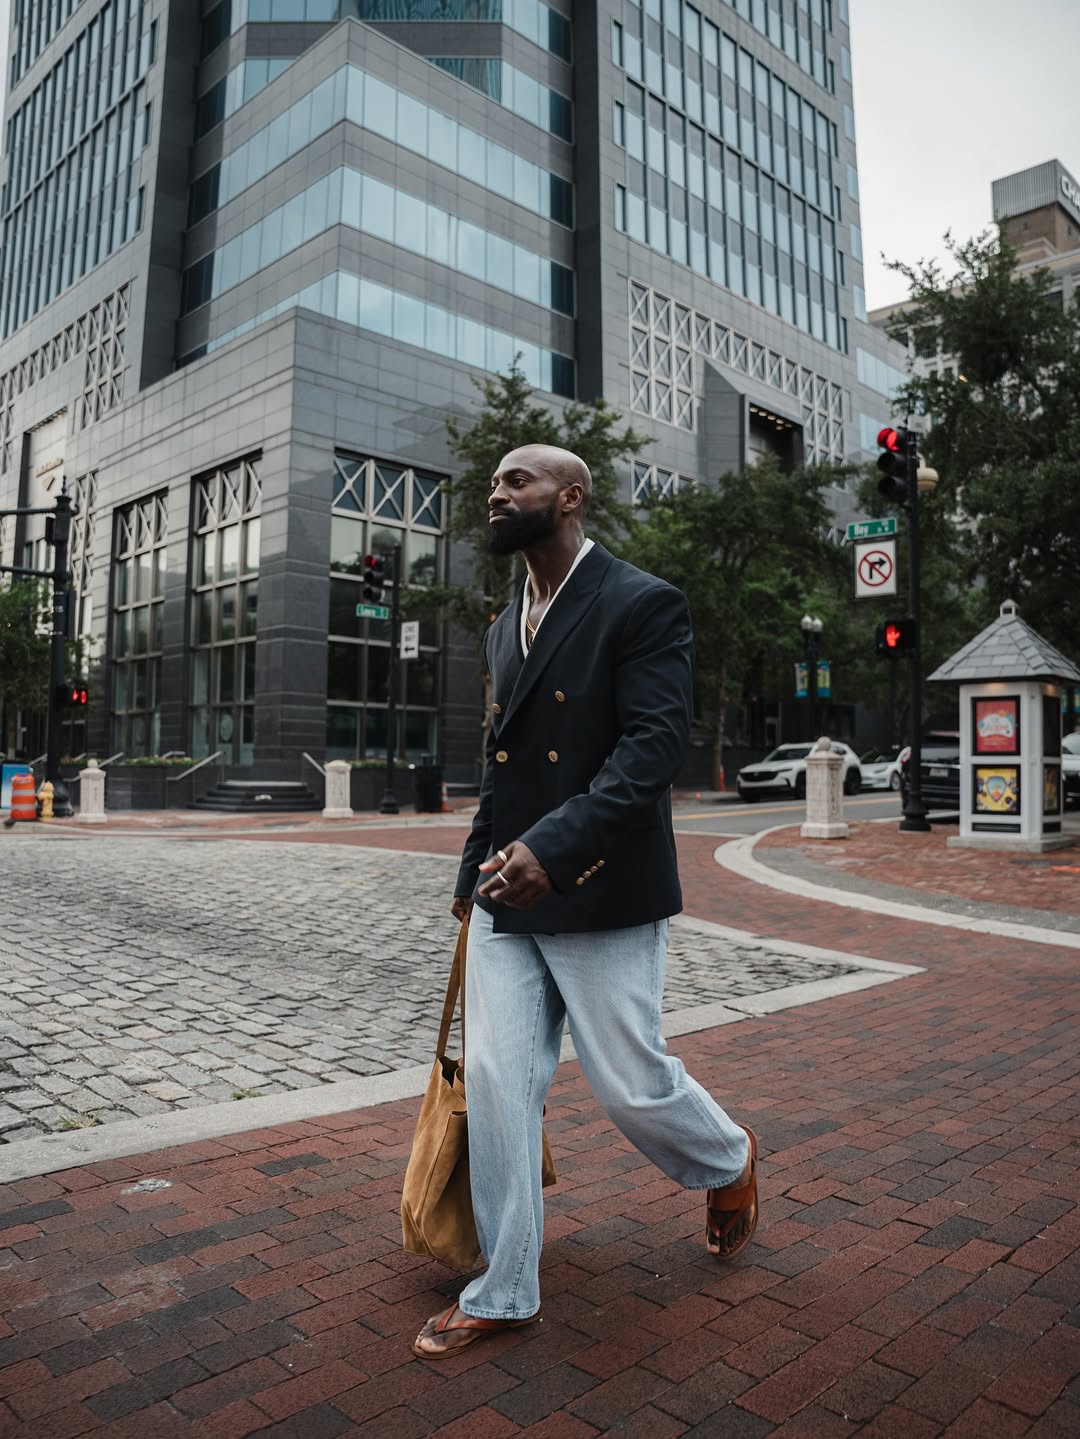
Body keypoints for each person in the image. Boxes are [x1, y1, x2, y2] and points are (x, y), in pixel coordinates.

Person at [413, 444, 758, 1359]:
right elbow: (502, 765)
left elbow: (652, 749)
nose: (496, 492)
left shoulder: (641, 601)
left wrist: (555, 849)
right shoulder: (504, 625)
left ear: (569, 497)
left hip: (601, 880)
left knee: (629, 1084)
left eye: (515, 480)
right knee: (497, 1078)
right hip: (507, 888)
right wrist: (472, 876)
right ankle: (505, 1286)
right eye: (493, 482)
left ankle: (728, 1157)